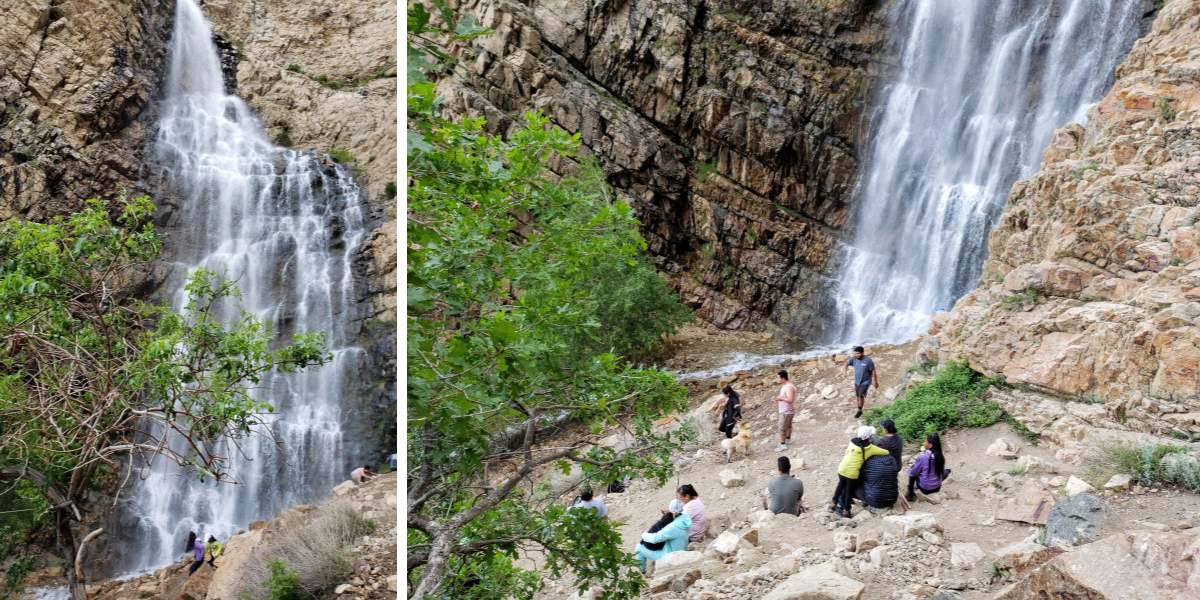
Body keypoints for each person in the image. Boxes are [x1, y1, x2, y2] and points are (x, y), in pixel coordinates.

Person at [828, 426, 889, 518]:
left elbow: (847, 453)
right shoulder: (870, 448)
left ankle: (832, 505)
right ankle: (846, 511)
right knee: (849, 490)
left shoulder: (852, 441)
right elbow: (886, 452)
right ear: (869, 437)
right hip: (852, 473)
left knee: (840, 485)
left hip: (842, 468)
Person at [634, 509, 692, 573]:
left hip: (671, 558)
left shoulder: (672, 528)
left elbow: (655, 538)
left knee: (639, 548)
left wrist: (644, 534)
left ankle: (642, 573)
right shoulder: (684, 518)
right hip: (682, 550)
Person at [907, 433, 952, 501]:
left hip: (925, 489)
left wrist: (909, 470)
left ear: (930, 445)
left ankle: (910, 493)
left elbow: (913, 473)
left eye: (925, 442)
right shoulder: (940, 456)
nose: (923, 443)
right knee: (945, 471)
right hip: (937, 487)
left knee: (913, 469)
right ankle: (947, 472)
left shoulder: (923, 457)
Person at [843, 346, 878, 419]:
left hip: (865, 381)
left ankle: (859, 410)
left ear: (862, 353)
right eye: (856, 353)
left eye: (858, 353)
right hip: (857, 381)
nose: (857, 355)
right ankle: (860, 408)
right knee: (858, 395)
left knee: (860, 396)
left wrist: (875, 382)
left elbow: (873, 371)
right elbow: (846, 363)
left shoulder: (868, 361)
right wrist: (845, 372)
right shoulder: (854, 358)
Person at [774, 370, 796, 452]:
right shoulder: (786, 385)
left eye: (778, 378)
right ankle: (788, 439)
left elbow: (790, 399)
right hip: (788, 410)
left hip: (787, 411)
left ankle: (783, 444)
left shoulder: (789, 387)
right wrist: (779, 399)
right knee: (788, 425)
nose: (778, 379)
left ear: (783, 378)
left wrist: (781, 398)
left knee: (782, 427)